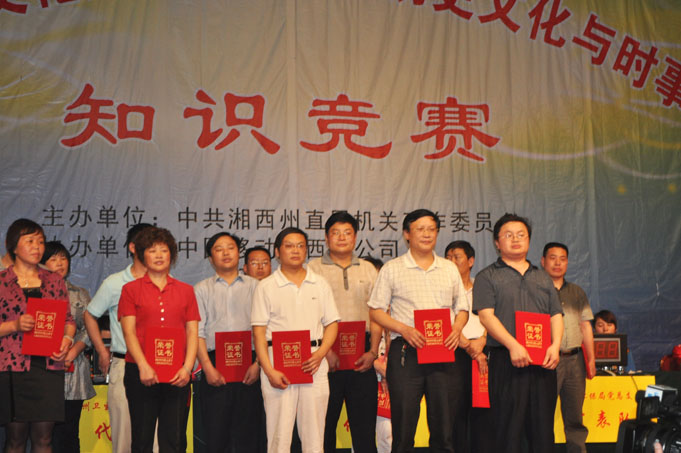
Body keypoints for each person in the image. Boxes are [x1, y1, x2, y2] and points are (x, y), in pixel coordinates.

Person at [368, 209, 469, 453]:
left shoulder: (449, 268)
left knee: (444, 429)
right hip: (407, 353)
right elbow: (376, 311)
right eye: (420, 229)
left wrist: (457, 328)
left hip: (443, 352)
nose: (426, 234)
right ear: (407, 234)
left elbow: (462, 308)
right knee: (403, 430)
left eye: (431, 229)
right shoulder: (393, 268)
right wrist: (404, 329)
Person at [473, 213, 564, 453]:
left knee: (543, 431)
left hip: (543, 362)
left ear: (529, 240)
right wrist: (513, 345)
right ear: (497, 242)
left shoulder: (543, 277)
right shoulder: (487, 276)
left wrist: (555, 346)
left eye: (521, 235)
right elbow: (486, 316)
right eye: (508, 235)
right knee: (507, 429)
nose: (515, 239)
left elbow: (556, 314)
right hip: (506, 361)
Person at [252, 227, 340, 453]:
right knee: (279, 435)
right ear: (277, 252)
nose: (296, 250)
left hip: (314, 362)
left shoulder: (319, 283)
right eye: (289, 246)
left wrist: (320, 354)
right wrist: (268, 370)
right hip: (278, 364)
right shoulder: (266, 286)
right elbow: (259, 333)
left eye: (301, 246)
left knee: (314, 434)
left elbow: (332, 323)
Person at [118, 226, 200, 453]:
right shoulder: (130, 289)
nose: (159, 255)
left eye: (164, 250)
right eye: (152, 250)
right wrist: (143, 366)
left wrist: (187, 368)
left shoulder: (186, 291)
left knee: (174, 440)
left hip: (177, 374)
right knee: (142, 439)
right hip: (140, 372)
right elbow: (129, 332)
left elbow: (192, 332)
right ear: (142, 255)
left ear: (171, 255)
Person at [307, 211, 380, 453]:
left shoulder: (368, 269)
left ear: (355, 237)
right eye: (335, 233)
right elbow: (308, 313)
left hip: (362, 355)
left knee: (364, 427)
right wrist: (324, 351)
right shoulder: (313, 269)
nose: (341, 237)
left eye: (347, 232)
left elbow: (377, 313)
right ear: (326, 237)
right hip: (324, 355)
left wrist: (373, 352)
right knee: (324, 426)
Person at [0, 218, 76, 453]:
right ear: (13, 246)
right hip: (12, 367)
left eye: (40, 242)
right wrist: (14, 325)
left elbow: (68, 321)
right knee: (15, 439)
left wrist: (66, 340)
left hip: (48, 366)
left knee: (44, 438)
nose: (37, 247)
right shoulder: (2, 281)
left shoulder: (54, 280)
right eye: (30, 241)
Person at [83, 223, 153, 453]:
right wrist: (102, 351)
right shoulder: (115, 283)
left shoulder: (165, 281)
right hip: (124, 363)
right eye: (147, 243)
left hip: (159, 364)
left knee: (156, 436)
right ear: (133, 247)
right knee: (124, 434)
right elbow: (90, 315)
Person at [194, 232, 265, 453]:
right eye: (219, 249)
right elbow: (197, 332)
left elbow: (265, 329)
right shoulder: (201, 289)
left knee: (249, 434)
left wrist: (258, 364)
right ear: (210, 258)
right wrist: (207, 368)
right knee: (216, 434)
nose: (226, 253)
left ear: (238, 253)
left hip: (251, 364)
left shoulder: (256, 287)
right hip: (215, 365)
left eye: (231, 247)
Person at [41, 241, 97, 453]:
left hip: (73, 372)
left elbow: (89, 328)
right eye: (53, 258)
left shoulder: (80, 293)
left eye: (63, 258)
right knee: (42, 433)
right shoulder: (34, 291)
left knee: (69, 431)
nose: (60, 263)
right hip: (41, 371)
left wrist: (73, 351)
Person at [541, 242, 595, 453]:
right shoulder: (536, 290)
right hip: (546, 360)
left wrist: (591, 359)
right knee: (543, 415)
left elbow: (585, 326)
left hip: (575, 360)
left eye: (562, 259)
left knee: (574, 416)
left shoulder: (577, 292)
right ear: (543, 261)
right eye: (553, 258)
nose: (558, 263)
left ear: (567, 263)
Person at [444, 240, 493, 453]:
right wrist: (467, 346)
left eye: (456, 257)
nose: (451, 261)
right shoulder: (443, 290)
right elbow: (443, 321)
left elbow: (493, 317)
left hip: (484, 351)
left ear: (471, 261)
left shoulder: (483, 288)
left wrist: (483, 340)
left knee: (483, 411)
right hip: (455, 351)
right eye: (448, 257)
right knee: (456, 410)